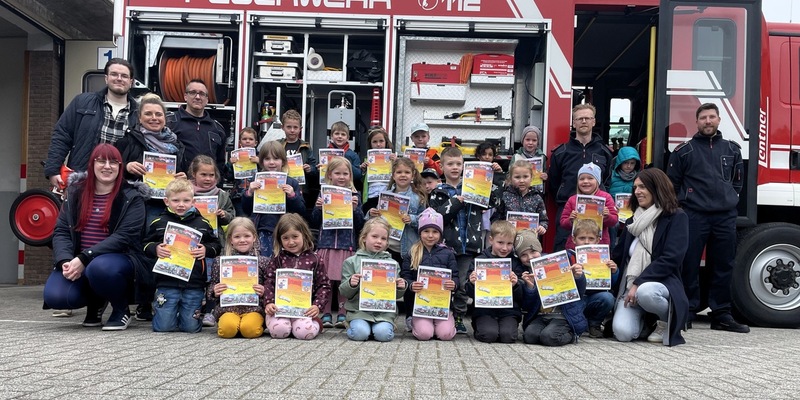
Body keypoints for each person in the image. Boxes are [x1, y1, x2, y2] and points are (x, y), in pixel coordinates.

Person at [43, 144, 148, 331]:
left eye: (113, 162)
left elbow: (124, 237)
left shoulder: (131, 197)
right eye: (101, 161)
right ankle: (96, 302)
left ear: (120, 167)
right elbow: (61, 231)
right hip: (80, 260)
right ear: (92, 165)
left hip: (119, 260)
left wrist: (85, 257)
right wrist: (65, 261)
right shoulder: (75, 193)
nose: (107, 166)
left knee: (100, 268)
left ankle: (120, 308)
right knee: (58, 297)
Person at [666, 103, 748, 333]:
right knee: (689, 264)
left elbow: (737, 181)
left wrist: (728, 197)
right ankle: (687, 311)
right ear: (697, 121)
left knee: (723, 265)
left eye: (712, 117)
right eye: (703, 118)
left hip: (725, 217)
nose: (708, 121)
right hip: (694, 215)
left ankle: (721, 314)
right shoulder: (684, 151)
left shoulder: (732, 149)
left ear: (719, 120)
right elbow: (672, 185)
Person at [611, 168, 690, 346]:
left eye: (642, 187)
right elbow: (618, 255)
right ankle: (648, 322)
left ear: (657, 188)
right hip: (631, 287)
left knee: (646, 292)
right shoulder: (633, 221)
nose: (637, 191)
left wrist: (638, 282)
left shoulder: (677, 217)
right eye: (635, 187)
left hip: (661, 283)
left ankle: (665, 321)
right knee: (623, 333)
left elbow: (671, 259)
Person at [429, 146, 502, 334]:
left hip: (469, 246)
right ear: (441, 167)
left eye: (458, 164)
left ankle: (459, 316)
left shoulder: (475, 186)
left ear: (464, 166)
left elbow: (495, 201)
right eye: (450, 164)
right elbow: (437, 217)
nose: (455, 167)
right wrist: (456, 201)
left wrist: (491, 178)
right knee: (445, 283)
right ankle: (442, 314)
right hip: (446, 247)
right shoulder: (437, 191)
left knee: (462, 284)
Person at [143, 178, 222, 333]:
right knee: (163, 328)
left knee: (191, 328)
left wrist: (206, 250)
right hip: (167, 282)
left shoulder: (203, 224)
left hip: (194, 283)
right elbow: (144, 245)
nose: (181, 204)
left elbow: (217, 245)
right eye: (176, 200)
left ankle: (183, 315)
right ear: (166, 201)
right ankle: (165, 312)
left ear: (193, 201)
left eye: (186, 200)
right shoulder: (158, 223)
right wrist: (155, 248)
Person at [46, 59, 139, 188]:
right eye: (114, 74)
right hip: (83, 180)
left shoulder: (139, 113)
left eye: (124, 76)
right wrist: (53, 170)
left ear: (131, 82)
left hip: (121, 185)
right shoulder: (82, 102)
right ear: (106, 78)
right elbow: (62, 135)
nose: (119, 79)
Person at [116, 93, 188, 226]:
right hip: (136, 206)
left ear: (165, 118)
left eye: (158, 114)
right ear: (139, 118)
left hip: (169, 208)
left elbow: (183, 174)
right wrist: (126, 167)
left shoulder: (177, 146)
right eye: (148, 114)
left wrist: (183, 178)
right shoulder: (126, 142)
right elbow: (110, 171)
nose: (154, 118)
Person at [549, 104, 614, 251]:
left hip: (597, 213)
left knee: (596, 253)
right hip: (568, 211)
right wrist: (567, 201)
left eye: (587, 118)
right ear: (574, 122)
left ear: (594, 122)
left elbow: (607, 181)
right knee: (563, 252)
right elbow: (554, 183)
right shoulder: (560, 153)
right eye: (579, 118)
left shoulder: (605, 152)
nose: (583, 121)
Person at [311, 156, 365, 329]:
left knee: (344, 280)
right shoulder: (323, 194)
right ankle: (326, 313)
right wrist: (318, 209)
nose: (341, 177)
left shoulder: (355, 195)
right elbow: (314, 221)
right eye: (337, 173)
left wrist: (356, 209)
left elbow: (360, 224)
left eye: (345, 173)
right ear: (329, 175)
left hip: (346, 244)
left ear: (351, 175)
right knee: (326, 281)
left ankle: (342, 314)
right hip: (326, 244)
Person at [263, 214, 332, 340]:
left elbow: (324, 285)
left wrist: (317, 306)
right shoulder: (277, 260)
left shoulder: (315, 259)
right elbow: (269, 283)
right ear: (280, 240)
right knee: (279, 331)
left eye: (295, 236)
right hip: (280, 309)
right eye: (285, 238)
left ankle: (316, 324)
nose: (291, 242)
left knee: (305, 334)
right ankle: (288, 326)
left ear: (304, 235)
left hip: (304, 310)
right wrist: (269, 303)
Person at [339, 218, 407, 342]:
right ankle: (351, 324)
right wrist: (351, 283)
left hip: (384, 313)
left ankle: (386, 326)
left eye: (383, 238)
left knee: (383, 335)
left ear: (387, 242)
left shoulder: (392, 264)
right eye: (374, 236)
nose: (378, 241)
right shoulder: (351, 262)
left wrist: (400, 287)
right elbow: (344, 292)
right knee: (360, 334)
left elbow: (395, 295)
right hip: (359, 311)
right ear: (364, 237)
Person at [400, 208, 458, 339]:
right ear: (420, 233)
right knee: (424, 334)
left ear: (440, 234)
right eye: (426, 231)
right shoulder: (412, 253)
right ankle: (414, 321)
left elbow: (455, 277)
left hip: (441, 305)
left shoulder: (448, 253)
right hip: (420, 305)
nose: (430, 235)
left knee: (446, 335)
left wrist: (453, 284)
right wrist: (410, 285)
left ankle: (446, 322)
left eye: (435, 232)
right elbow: (405, 277)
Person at [240, 140, 305, 257]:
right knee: (262, 262)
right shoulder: (255, 179)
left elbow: (301, 211)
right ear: (261, 161)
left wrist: (292, 196)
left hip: (283, 231)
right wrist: (249, 193)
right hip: (260, 228)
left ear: (283, 161)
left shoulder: (292, 182)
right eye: (267, 159)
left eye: (276, 159)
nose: (271, 162)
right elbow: (245, 209)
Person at [520, 236, 588, 346]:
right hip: (541, 316)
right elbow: (527, 305)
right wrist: (530, 287)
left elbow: (579, 292)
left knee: (549, 337)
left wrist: (578, 276)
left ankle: (572, 335)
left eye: (533, 251)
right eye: (523, 254)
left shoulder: (560, 263)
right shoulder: (525, 274)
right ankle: (546, 332)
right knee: (529, 337)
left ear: (540, 250)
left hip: (562, 316)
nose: (530, 257)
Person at [207, 217, 268, 339]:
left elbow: (271, 287)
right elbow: (211, 285)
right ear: (230, 239)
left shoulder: (263, 261)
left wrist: (264, 291)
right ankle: (234, 325)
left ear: (254, 237)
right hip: (228, 308)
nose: (242, 240)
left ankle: (246, 325)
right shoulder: (220, 262)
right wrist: (214, 290)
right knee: (227, 330)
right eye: (237, 237)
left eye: (247, 236)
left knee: (250, 331)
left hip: (253, 308)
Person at [464, 221, 525, 343]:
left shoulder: (516, 263)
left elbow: (522, 296)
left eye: (509, 244)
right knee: (489, 335)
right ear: (491, 240)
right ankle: (479, 325)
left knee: (508, 337)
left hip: (509, 311)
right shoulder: (480, 260)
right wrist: (471, 283)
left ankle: (503, 327)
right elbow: (469, 292)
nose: (504, 248)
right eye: (500, 242)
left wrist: (516, 284)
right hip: (484, 310)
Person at [367, 157, 426, 264]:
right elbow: (374, 222)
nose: (403, 175)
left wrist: (411, 219)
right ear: (393, 176)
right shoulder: (385, 196)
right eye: (399, 172)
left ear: (412, 175)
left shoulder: (418, 198)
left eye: (407, 172)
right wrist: (371, 214)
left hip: (407, 248)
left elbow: (425, 222)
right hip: (386, 247)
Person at [570, 219, 618, 338]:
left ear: (597, 240)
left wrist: (614, 271)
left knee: (608, 297)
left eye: (591, 239)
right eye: (582, 238)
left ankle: (594, 324)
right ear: (574, 239)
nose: (586, 242)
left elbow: (612, 284)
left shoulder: (604, 257)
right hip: (576, 299)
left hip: (593, 298)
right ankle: (575, 324)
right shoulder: (569, 256)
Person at [167, 79, 227, 173]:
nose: (198, 97)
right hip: (177, 185)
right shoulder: (170, 122)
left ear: (207, 99)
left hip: (207, 186)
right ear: (185, 96)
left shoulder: (217, 129)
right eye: (193, 92)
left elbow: (220, 163)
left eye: (202, 94)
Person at [560, 163, 618, 250]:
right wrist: (570, 220)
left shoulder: (606, 197)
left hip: (600, 245)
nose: (585, 181)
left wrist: (607, 216)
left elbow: (614, 221)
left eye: (590, 178)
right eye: (581, 179)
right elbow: (563, 222)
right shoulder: (572, 199)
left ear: (597, 181)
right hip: (575, 246)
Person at [493, 160, 548, 237]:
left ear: (531, 177)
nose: (522, 180)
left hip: (529, 241)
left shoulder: (537, 198)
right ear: (511, 178)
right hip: (508, 241)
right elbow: (495, 219)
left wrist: (542, 227)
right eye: (517, 177)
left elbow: (544, 220)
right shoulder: (504, 196)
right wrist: (502, 229)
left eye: (525, 177)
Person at [276, 110, 318, 208]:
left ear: (300, 129)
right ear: (283, 128)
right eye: (289, 127)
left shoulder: (306, 146)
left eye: (295, 127)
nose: (292, 130)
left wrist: (310, 169)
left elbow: (314, 167)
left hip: (301, 189)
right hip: (281, 187)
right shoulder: (277, 145)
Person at [607, 146, 641, 246]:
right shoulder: (611, 177)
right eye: (626, 163)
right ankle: (612, 250)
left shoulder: (640, 178)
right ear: (619, 162)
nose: (629, 166)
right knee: (613, 224)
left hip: (633, 211)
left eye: (632, 163)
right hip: (614, 211)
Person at [360, 126, 396, 212]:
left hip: (388, 193)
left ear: (386, 142)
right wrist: (363, 169)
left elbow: (399, 174)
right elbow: (362, 180)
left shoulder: (392, 157)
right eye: (375, 142)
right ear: (370, 144)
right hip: (372, 194)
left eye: (381, 141)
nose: (378, 144)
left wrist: (395, 162)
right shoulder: (367, 159)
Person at [227, 127, 260, 217]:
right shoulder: (235, 156)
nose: (247, 141)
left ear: (256, 143)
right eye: (244, 139)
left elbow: (268, 172)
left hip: (256, 195)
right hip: (239, 195)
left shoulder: (261, 156)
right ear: (240, 142)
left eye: (251, 139)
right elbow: (228, 177)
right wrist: (230, 164)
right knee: (242, 220)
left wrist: (259, 162)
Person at [512, 125, 549, 195]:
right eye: (527, 140)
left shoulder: (542, 157)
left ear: (538, 142)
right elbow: (509, 175)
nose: (530, 143)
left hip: (536, 194)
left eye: (534, 140)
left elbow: (544, 172)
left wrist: (545, 176)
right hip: (518, 194)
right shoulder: (516, 156)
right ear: (522, 140)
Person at [325, 121, 363, 187]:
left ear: (348, 138)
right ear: (331, 136)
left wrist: (345, 161)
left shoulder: (353, 155)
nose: (340, 136)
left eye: (343, 134)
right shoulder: (325, 153)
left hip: (347, 188)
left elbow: (358, 175)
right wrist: (318, 170)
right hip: (329, 187)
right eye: (337, 134)